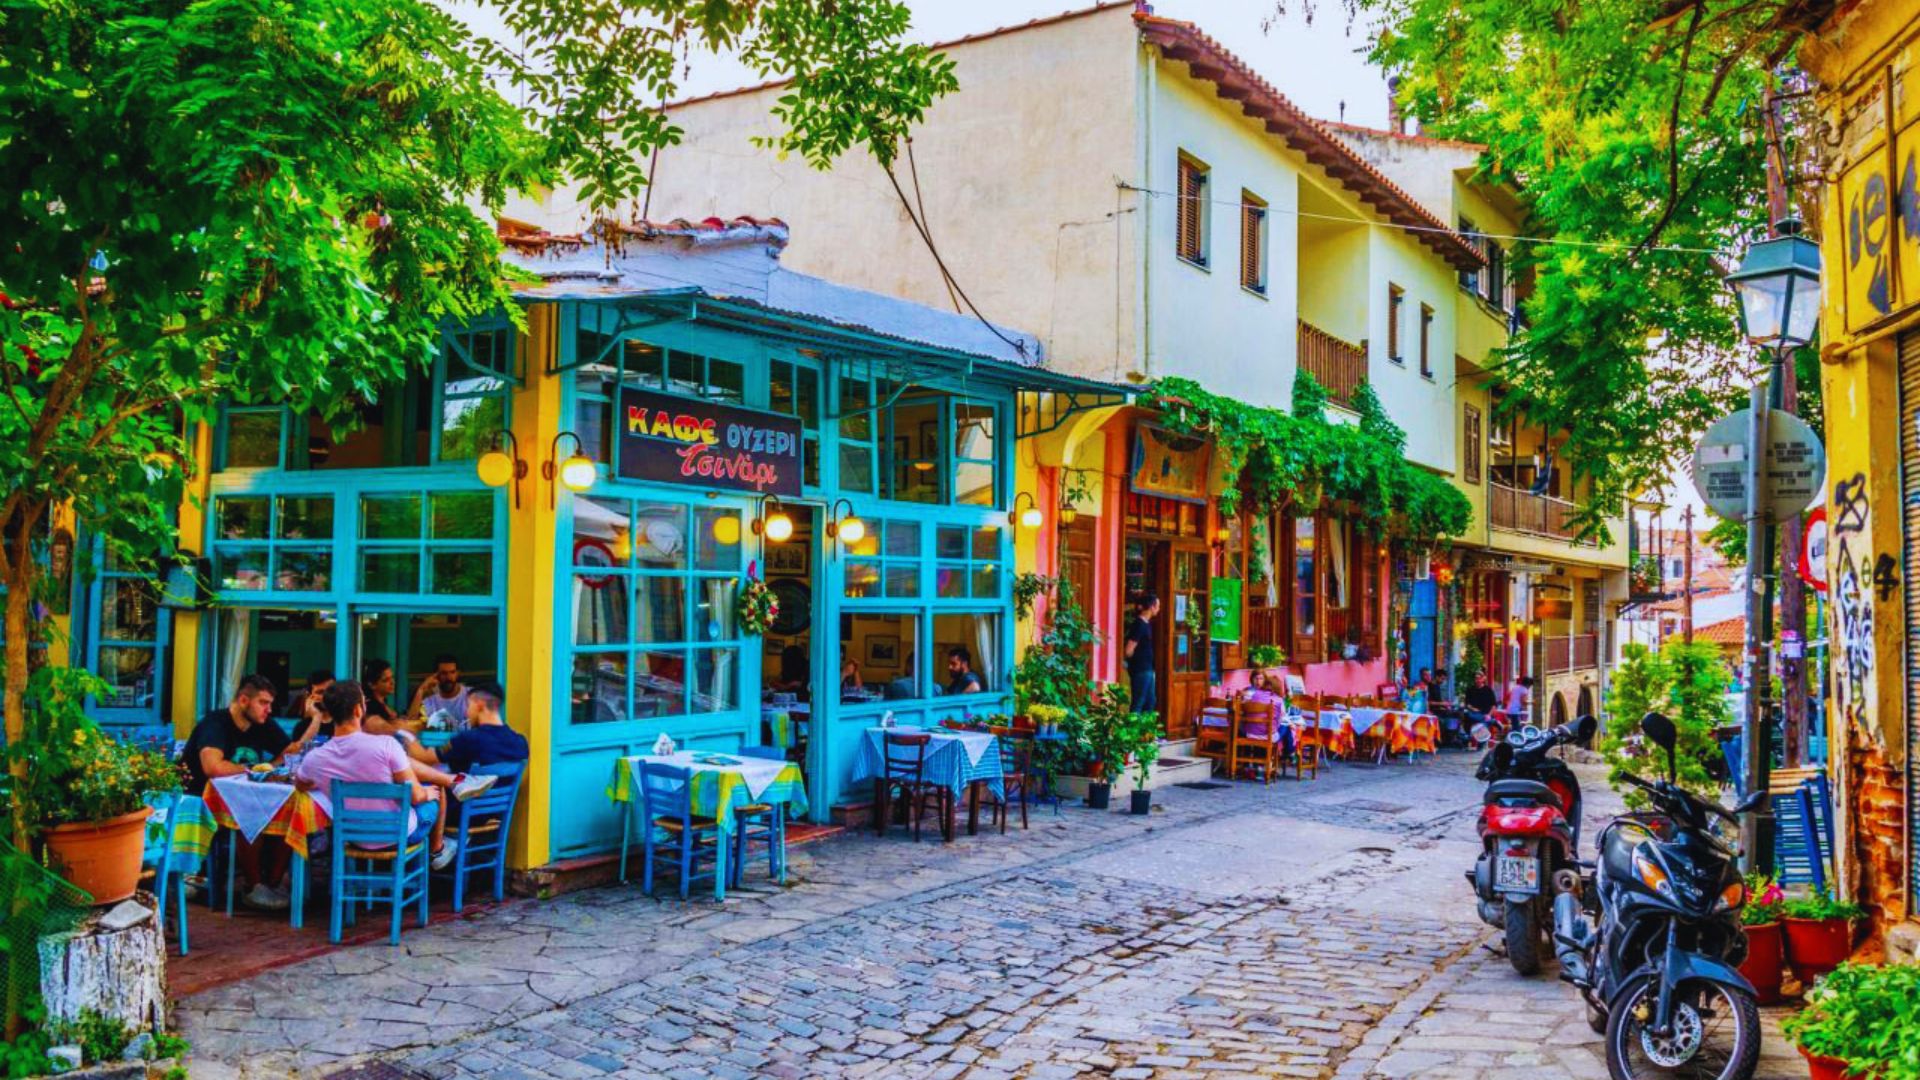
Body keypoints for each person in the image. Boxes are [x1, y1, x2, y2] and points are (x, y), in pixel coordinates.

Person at [296, 681, 458, 871]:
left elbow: (301, 785)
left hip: (352, 837)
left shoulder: (315, 758)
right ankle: (437, 851)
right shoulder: (386, 745)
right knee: (435, 792)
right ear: (358, 710)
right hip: (397, 835)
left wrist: (328, 780)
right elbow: (416, 796)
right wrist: (427, 793)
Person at [180, 674, 295, 909]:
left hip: (242, 798)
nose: (269, 710)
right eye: (263, 703)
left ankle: (271, 884)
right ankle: (253, 887)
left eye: (270, 704)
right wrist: (255, 770)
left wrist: (270, 767)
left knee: (289, 815)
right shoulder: (215, 724)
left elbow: (291, 751)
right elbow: (213, 767)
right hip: (203, 803)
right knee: (251, 816)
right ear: (243, 700)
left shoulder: (262, 723)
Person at [403, 681, 526, 798]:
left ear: (479, 704)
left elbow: (423, 756)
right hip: (499, 810)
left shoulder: (469, 739)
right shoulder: (520, 742)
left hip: (460, 807)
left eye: (468, 705)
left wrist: (404, 732)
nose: (466, 713)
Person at [409, 654, 470, 727]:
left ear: (457, 673)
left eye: (452, 672)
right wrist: (421, 690)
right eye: (444, 673)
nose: (448, 677)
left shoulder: (471, 695)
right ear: (436, 675)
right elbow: (410, 723)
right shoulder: (430, 700)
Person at [1125, 593, 1160, 716]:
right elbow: (1128, 650)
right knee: (1138, 702)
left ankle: (1145, 728)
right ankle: (1132, 727)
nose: (1158, 609)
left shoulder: (1146, 624)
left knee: (1150, 701)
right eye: (1157, 606)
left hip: (1148, 668)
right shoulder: (1139, 624)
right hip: (1140, 669)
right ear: (1151, 607)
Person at [360, 658, 408, 735]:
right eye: (386, 680)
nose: (392, 682)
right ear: (372, 685)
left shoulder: (384, 703)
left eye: (392, 677)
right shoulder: (370, 707)